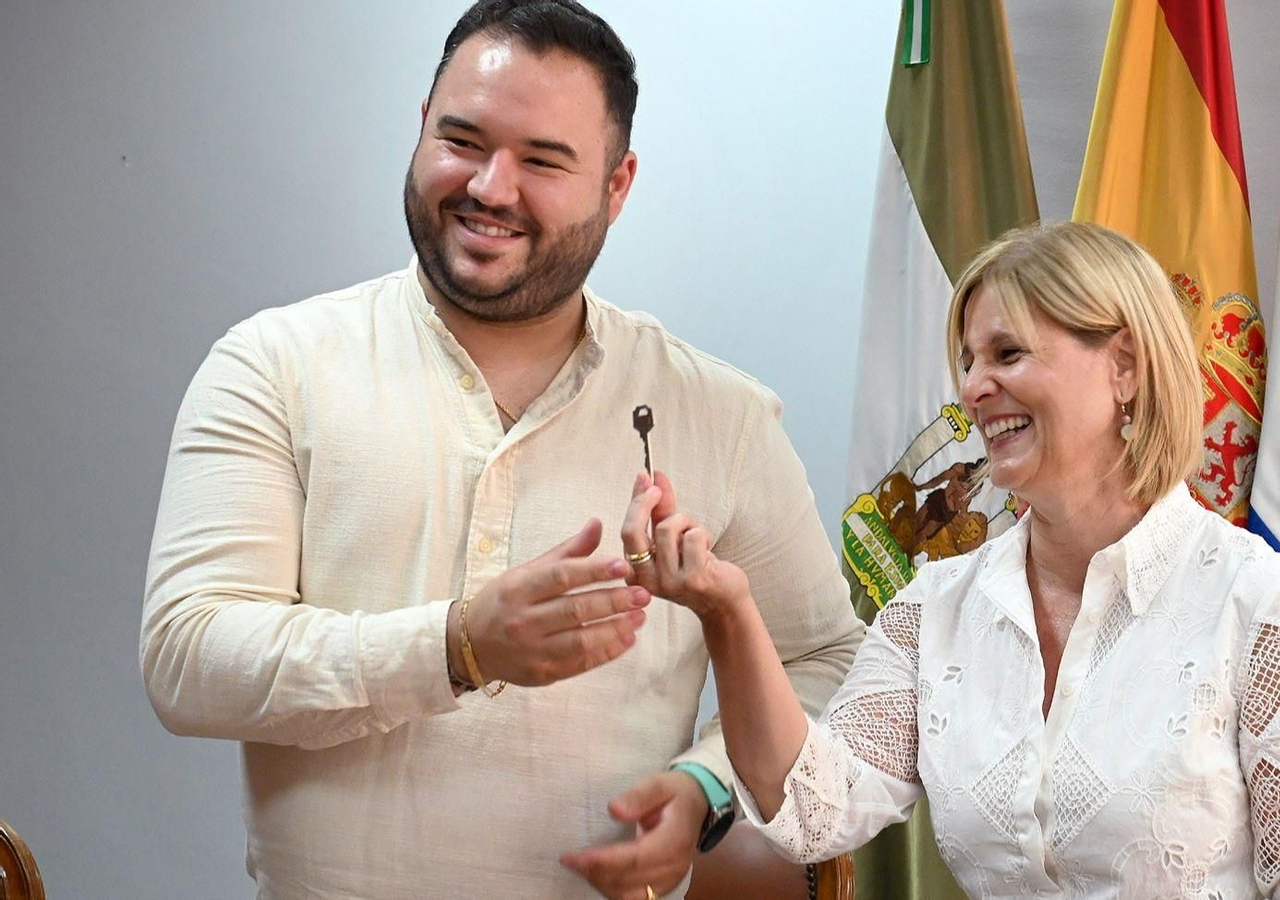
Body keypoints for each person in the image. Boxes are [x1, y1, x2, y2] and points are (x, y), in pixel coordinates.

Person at [139, 2, 863, 898]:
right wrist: (458, 646)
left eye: (543, 161)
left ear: (618, 183)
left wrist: (706, 783)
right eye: (463, 140)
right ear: (420, 129)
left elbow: (830, 662)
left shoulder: (721, 413)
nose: (489, 186)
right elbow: (187, 657)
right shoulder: (275, 366)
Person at [623, 221, 1280, 898]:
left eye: (1007, 354)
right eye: (968, 360)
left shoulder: (1264, 605)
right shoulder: (934, 608)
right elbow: (815, 810)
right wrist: (727, 611)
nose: (974, 387)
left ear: (1123, 366)